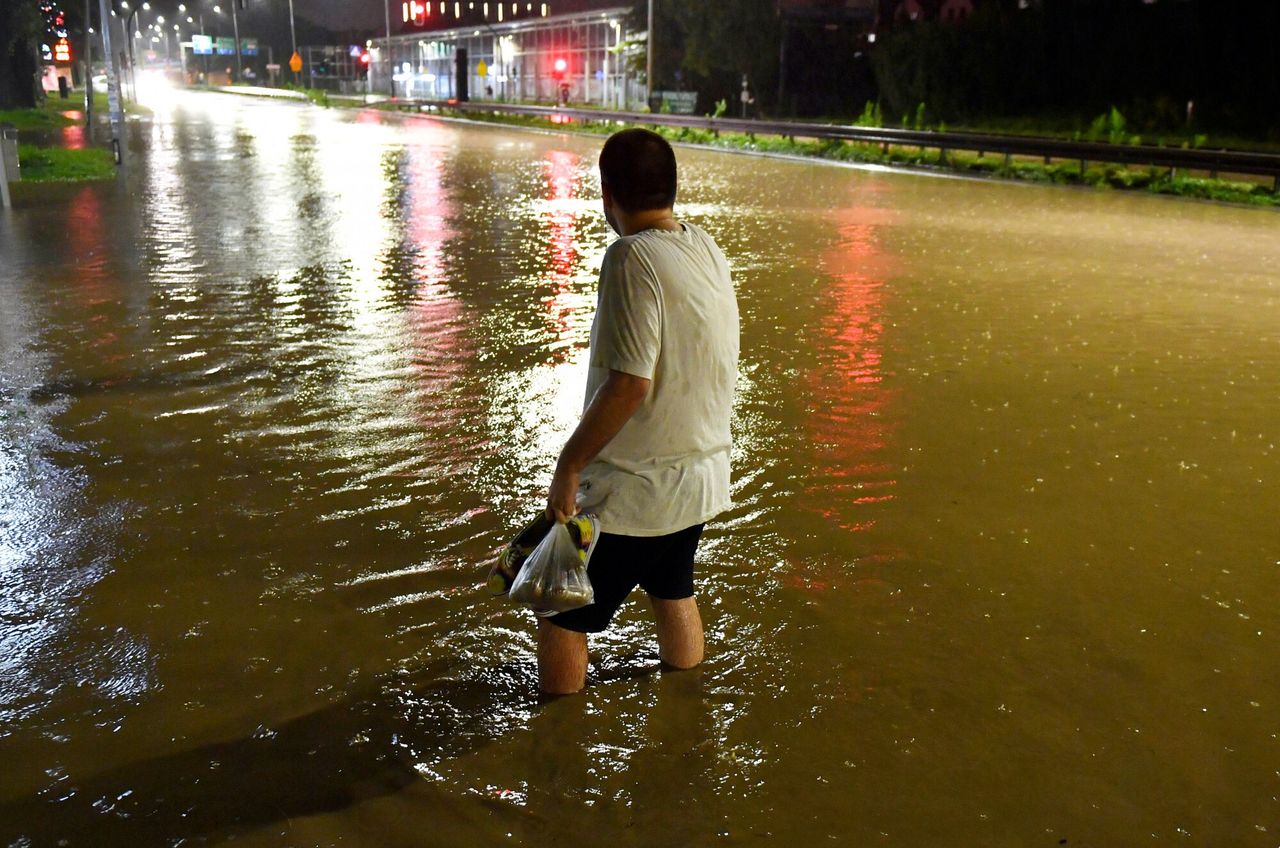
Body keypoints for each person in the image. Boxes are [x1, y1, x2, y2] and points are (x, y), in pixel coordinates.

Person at [538, 128, 740, 695]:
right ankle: (685, 707)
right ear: (671, 189)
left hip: (638, 491)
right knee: (673, 588)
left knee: (559, 610)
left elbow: (629, 384)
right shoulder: (706, 247)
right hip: (700, 480)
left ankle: (556, 747)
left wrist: (569, 466)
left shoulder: (630, 257)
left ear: (608, 195)